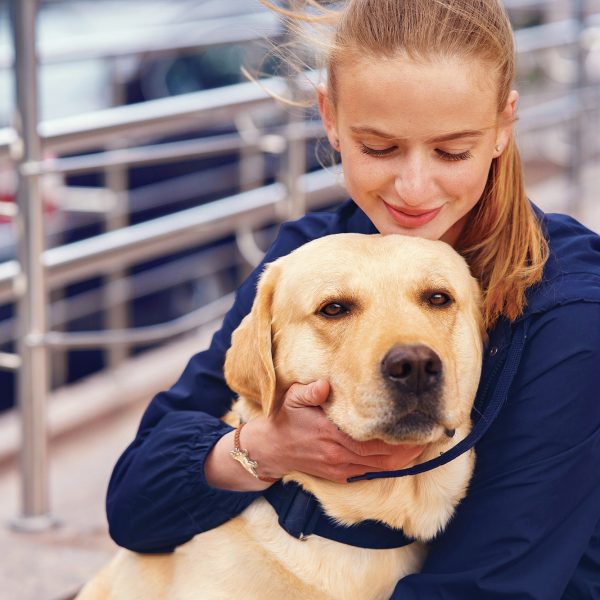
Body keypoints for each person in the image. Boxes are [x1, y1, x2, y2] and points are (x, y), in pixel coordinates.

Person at [106, 1, 600, 597]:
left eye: (452, 151)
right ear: (330, 119)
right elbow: (134, 505)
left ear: (502, 127)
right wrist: (263, 446)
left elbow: (488, 587)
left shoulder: (572, 311)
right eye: (380, 148)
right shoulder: (311, 254)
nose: (414, 189)